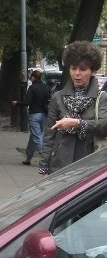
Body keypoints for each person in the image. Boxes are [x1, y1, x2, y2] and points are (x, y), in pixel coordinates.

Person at [39, 41, 107, 175]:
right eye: (73, 68)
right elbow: (49, 135)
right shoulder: (58, 97)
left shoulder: (102, 98)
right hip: (59, 164)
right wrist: (44, 166)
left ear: (93, 71)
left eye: (83, 69)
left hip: (89, 165)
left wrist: (77, 123)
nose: (77, 73)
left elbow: (104, 126)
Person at [12, 69, 51, 165]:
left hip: (34, 114)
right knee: (34, 136)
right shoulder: (46, 88)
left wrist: (17, 103)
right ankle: (28, 158)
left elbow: (27, 102)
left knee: (37, 137)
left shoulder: (32, 88)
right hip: (44, 115)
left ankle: (47, 159)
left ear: (33, 77)